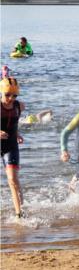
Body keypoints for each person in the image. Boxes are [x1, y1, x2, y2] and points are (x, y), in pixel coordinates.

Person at [1, 77, 25, 217]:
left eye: (14, 95)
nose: (11, 98)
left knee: (13, 179)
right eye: (7, 95)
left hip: (10, 146)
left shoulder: (19, 106)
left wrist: (16, 133)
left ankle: (20, 214)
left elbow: (13, 123)